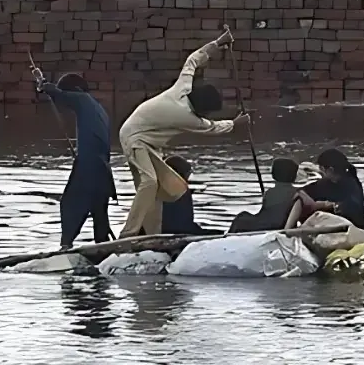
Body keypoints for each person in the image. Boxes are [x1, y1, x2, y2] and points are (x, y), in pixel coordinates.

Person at [118, 29, 250, 238]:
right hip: (134, 137)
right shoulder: (185, 115)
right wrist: (235, 123)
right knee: (149, 183)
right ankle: (129, 232)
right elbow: (212, 128)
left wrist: (218, 43)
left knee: (162, 189)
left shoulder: (183, 87)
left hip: (148, 141)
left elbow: (192, 61)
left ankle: (153, 232)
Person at [37, 73, 117, 250]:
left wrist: (45, 86)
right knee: (99, 210)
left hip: (89, 165)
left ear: (76, 90)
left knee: (70, 204)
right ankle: (103, 245)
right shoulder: (98, 108)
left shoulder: (82, 99)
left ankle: (65, 247)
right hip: (102, 168)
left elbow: (61, 95)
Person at [289, 148, 364, 230]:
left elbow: (352, 207)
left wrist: (328, 205)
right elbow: (303, 191)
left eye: (321, 169)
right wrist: (304, 197)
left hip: (352, 229)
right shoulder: (325, 183)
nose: (320, 172)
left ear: (330, 170)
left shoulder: (352, 184)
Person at [228, 158, 300, 233]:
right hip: (278, 226)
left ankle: (228, 236)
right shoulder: (297, 193)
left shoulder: (269, 193)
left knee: (241, 217)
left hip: (266, 226)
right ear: (294, 176)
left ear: (273, 174)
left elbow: (263, 214)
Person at [161, 155, 223, 235]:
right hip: (180, 232)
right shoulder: (180, 189)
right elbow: (183, 225)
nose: (188, 179)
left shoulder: (156, 188)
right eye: (188, 174)